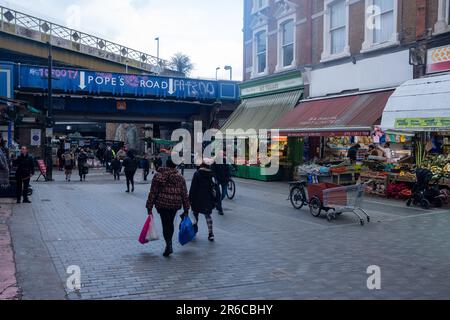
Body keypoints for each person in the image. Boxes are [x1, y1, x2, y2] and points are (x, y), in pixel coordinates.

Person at [146, 158, 190, 257]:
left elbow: (153, 192)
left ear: (166, 165)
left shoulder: (159, 175)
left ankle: (168, 244)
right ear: (175, 166)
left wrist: (149, 206)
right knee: (170, 223)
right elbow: (184, 193)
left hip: (162, 204)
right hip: (175, 204)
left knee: (166, 224)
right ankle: (169, 243)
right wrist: (186, 208)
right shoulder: (180, 177)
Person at [189, 162, 216, 241]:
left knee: (195, 215)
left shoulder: (197, 174)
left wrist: (190, 199)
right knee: (208, 215)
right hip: (207, 198)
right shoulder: (211, 174)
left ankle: (194, 231)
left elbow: (193, 187)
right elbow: (214, 187)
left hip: (197, 198)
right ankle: (211, 234)